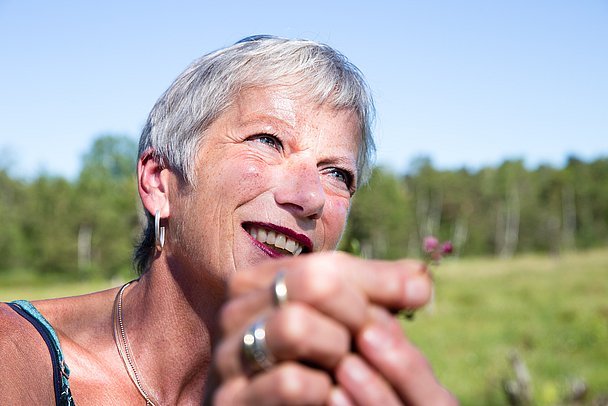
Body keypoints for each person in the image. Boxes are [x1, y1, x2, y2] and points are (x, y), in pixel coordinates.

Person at [0, 35, 457, 405]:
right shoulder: (18, 356)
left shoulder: (330, 391)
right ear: (160, 182)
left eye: (337, 173)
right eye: (267, 140)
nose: (310, 197)